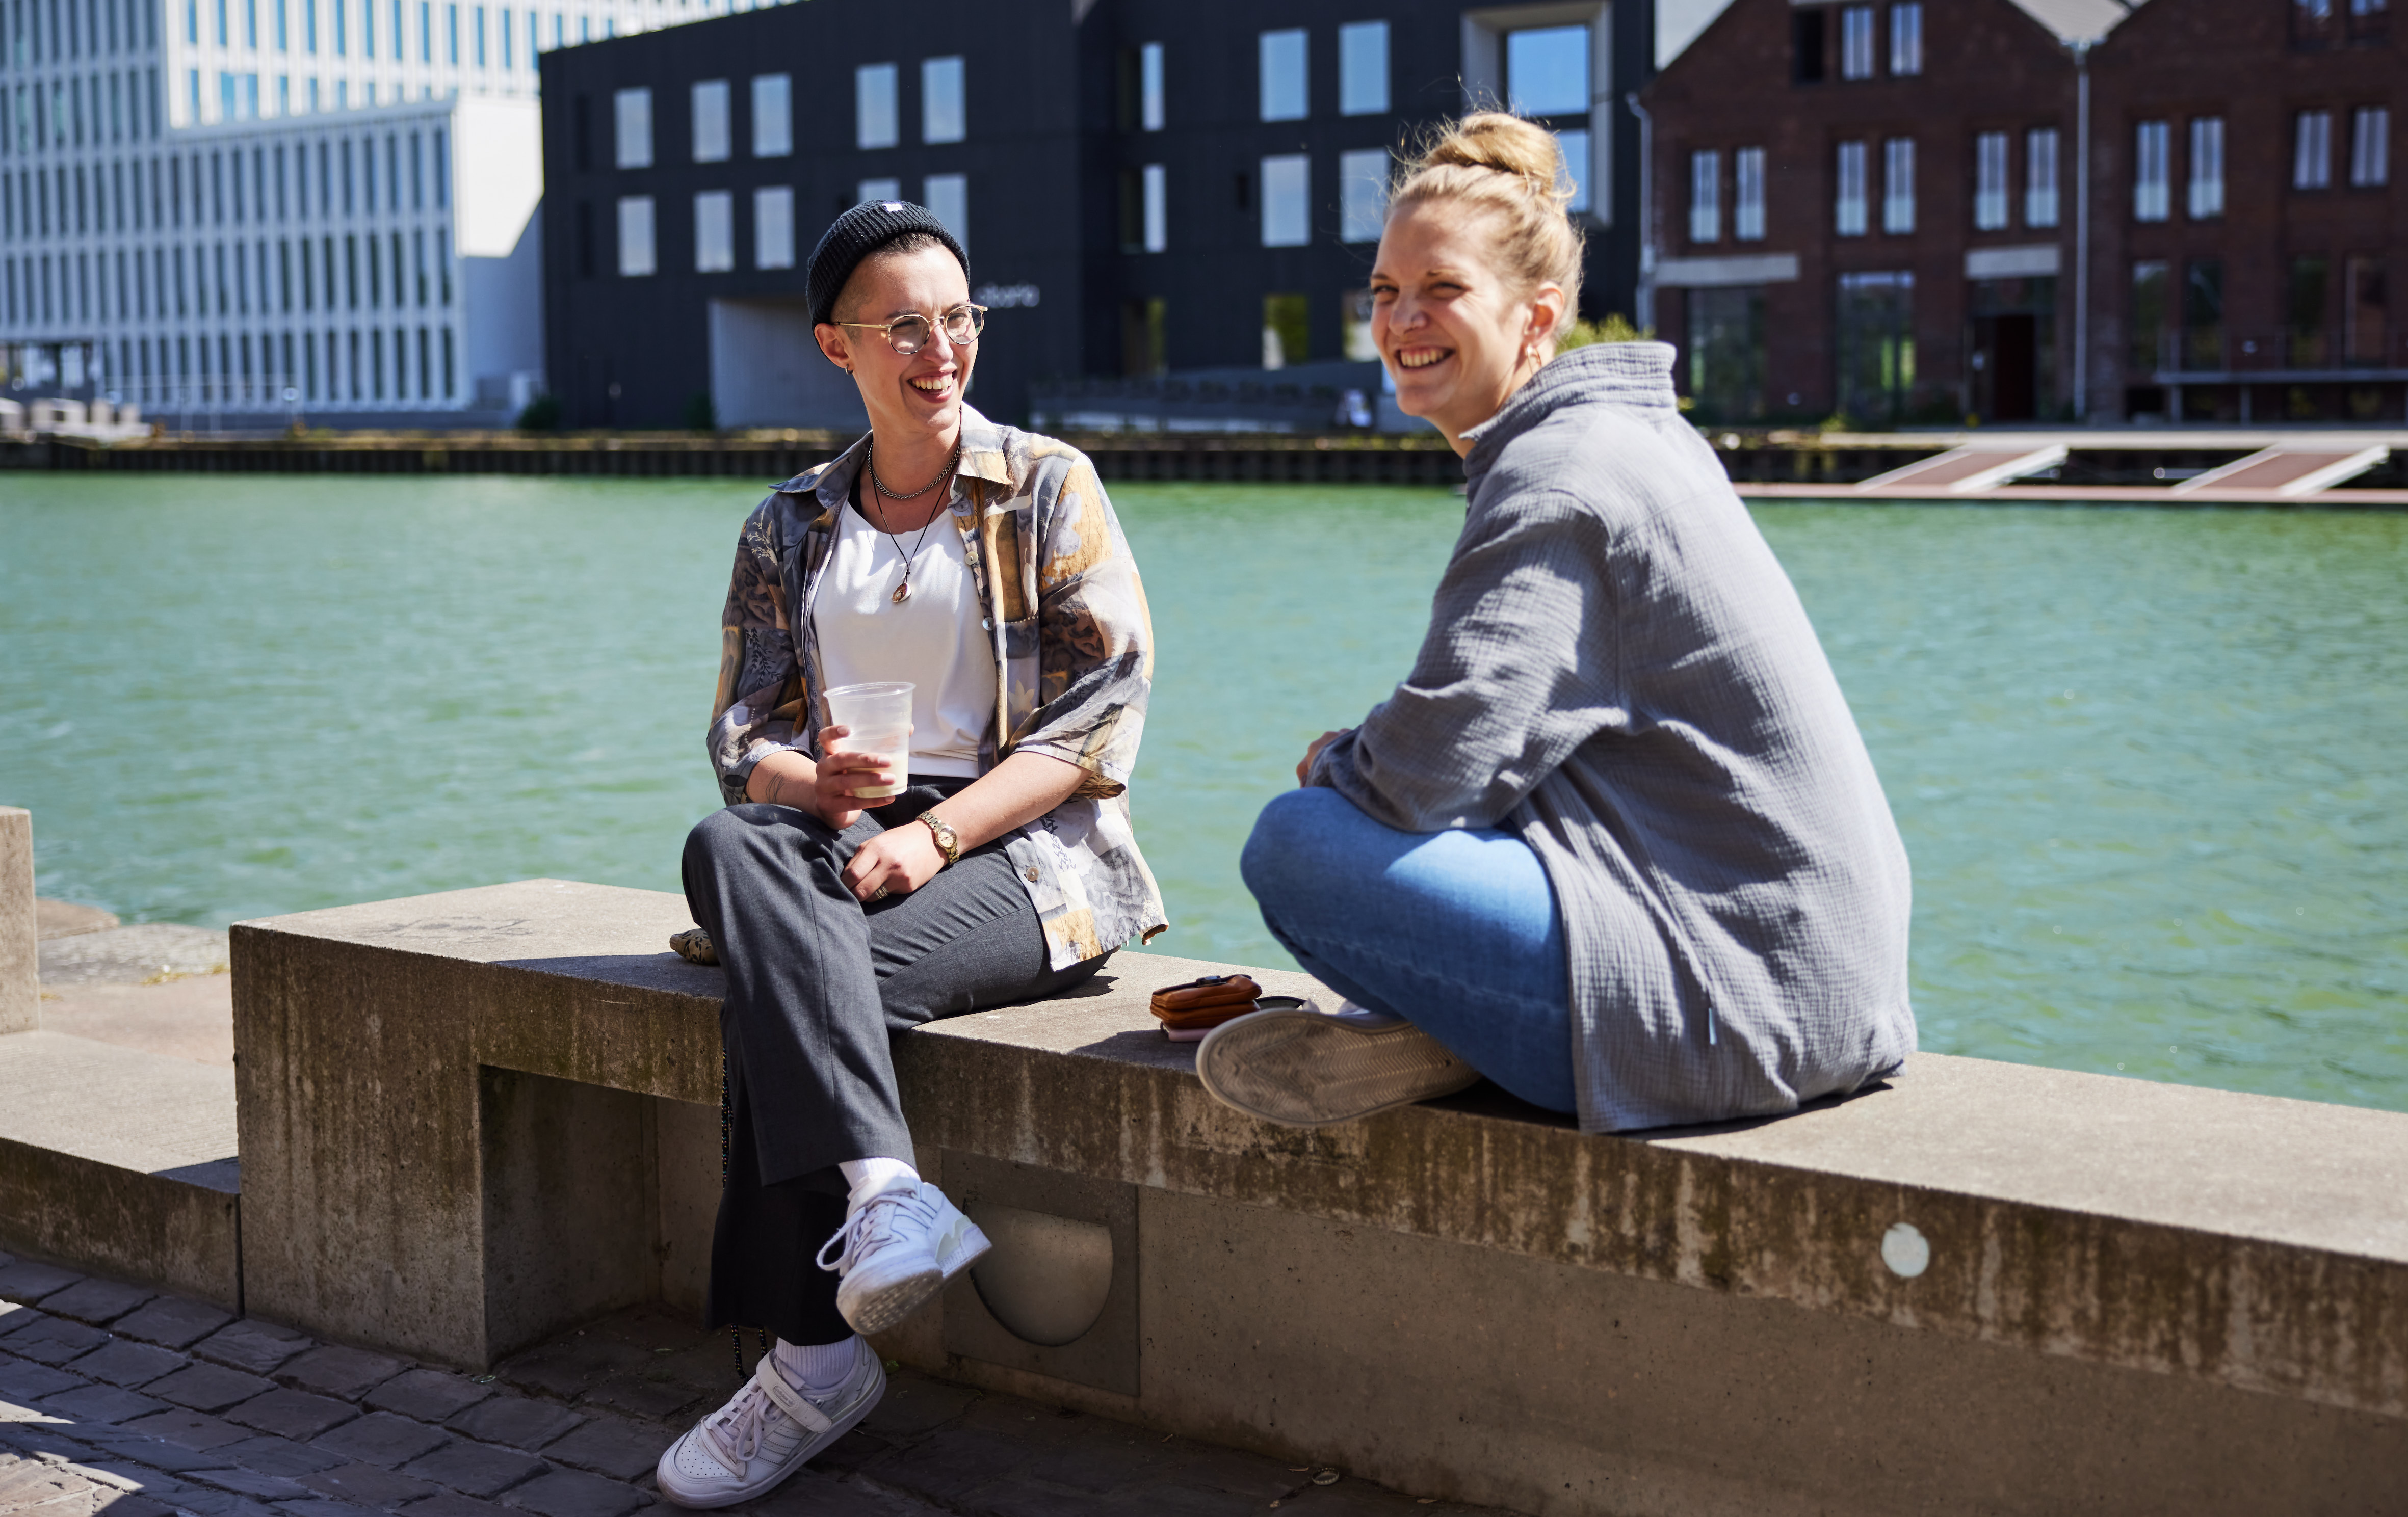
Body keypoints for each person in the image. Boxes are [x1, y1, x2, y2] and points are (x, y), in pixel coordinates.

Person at [1197, 113, 1915, 1136]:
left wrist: (1338, 767)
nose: (1402, 321)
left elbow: (1427, 773)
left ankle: (1464, 1036)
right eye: (1385, 293)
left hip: (1744, 1002)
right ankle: (1449, 1039)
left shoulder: (1558, 477)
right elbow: (1495, 742)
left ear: (1537, 319)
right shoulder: (1634, 439)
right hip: (1821, 977)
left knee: (1299, 846)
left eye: (1442, 290)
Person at [657, 200, 1163, 1508]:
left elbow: (1103, 717)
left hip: (1025, 844)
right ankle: (889, 1194)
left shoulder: (1047, 484)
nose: (939, 350)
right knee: (729, 840)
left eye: (958, 319)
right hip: (847, 822)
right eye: (903, 327)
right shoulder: (788, 523)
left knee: (822, 989)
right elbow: (737, 733)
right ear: (838, 348)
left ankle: (812, 1364)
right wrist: (814, 784)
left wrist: (936, 834)